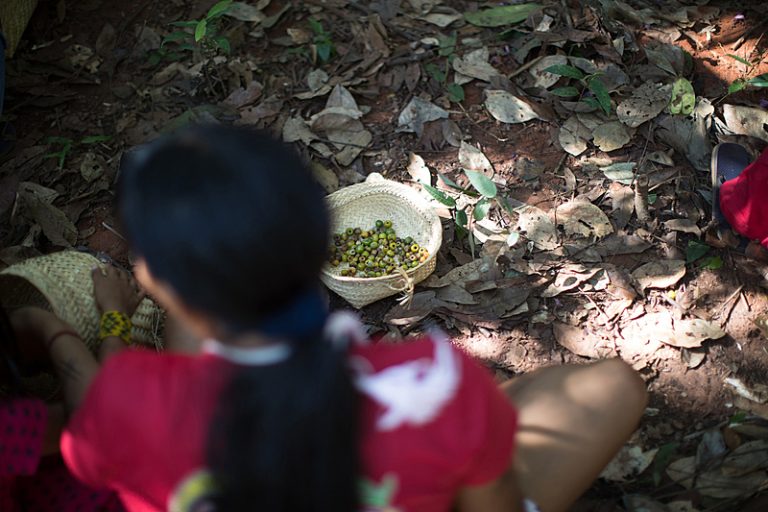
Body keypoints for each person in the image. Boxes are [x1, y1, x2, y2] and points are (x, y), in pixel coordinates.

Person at [51, 125, 646, 512]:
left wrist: (105, 323)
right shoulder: (432, 381)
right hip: (434, 439)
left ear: (153, 278)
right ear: (320, 243)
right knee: (611, 383)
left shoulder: (124, 398)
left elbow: (94, 446)